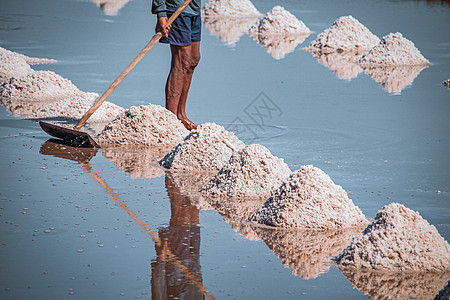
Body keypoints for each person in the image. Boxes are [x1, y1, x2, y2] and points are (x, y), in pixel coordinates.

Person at [152, 0, 202, 130]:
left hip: (194, 8)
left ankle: (180, 115)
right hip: (176, 8)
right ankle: (171, 118)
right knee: (181, 62)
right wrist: (161, 13)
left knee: (193, 60)